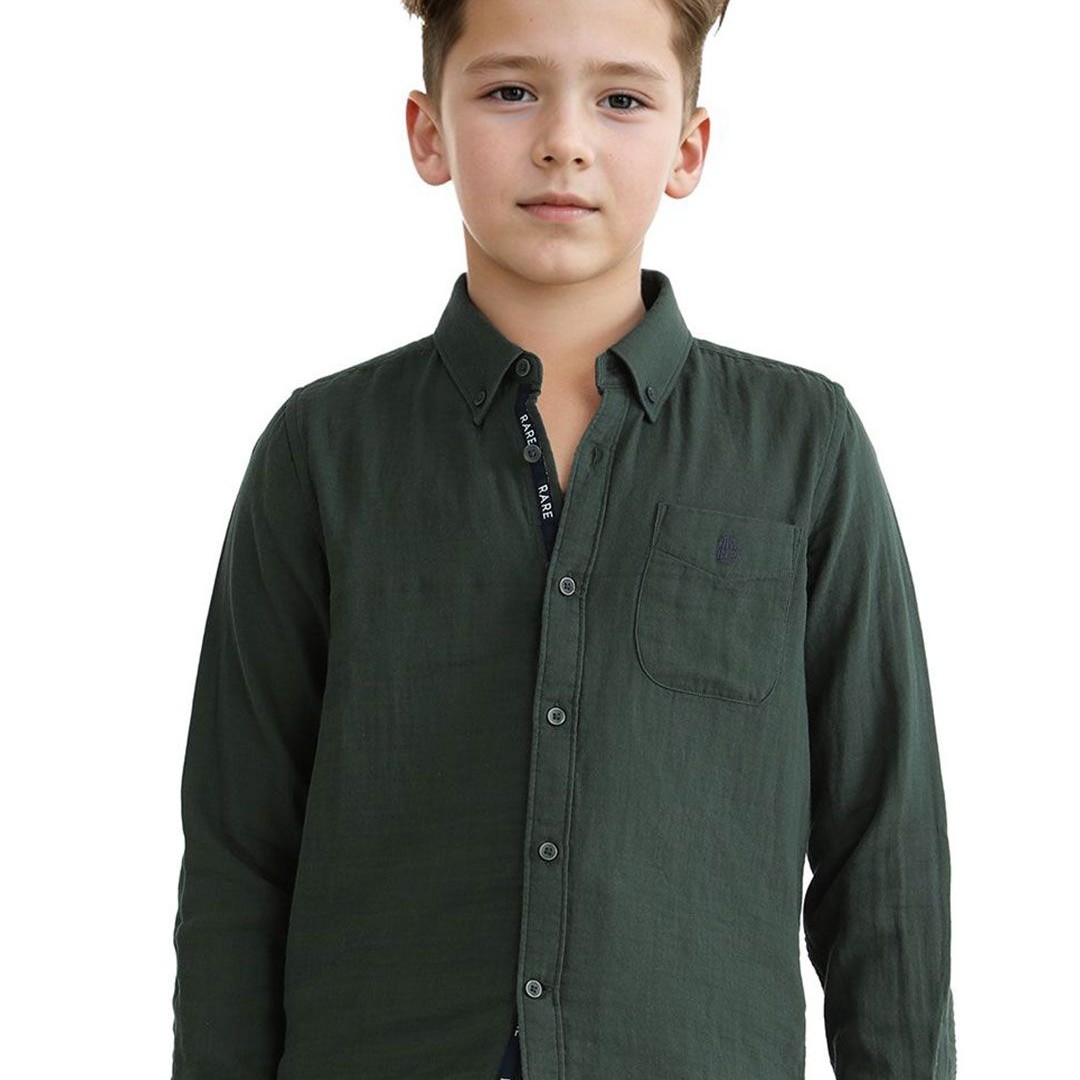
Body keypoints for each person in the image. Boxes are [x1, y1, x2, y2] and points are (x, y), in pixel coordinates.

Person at [170, 0, 957, 1077]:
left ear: (688, 148)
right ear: (428, 133)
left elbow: (884, 853)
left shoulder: (803, 447)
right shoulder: (322, 452)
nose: (564, 140)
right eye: (510, 91)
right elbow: (238, 855)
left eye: (622, 99)